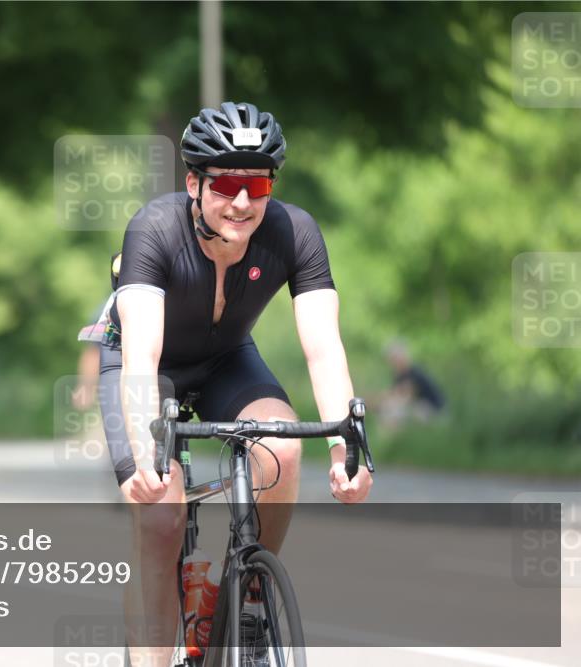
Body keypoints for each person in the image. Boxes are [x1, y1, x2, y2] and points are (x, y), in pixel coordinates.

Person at [97, 102, 373, 665]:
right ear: (193, 182)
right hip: (148, 368)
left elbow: (323, 348)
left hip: (228, 359)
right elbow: (143, 358)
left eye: (257, 184)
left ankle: (247, 586)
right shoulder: (154, 229)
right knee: (160, 517)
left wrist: (348, 446)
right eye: (225, 184)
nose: (243, 201)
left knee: (284, 448)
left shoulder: (295, 232)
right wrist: (147, 455)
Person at [378, 339, 446, 430]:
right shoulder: (399, 375)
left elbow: (404, 396)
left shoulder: (414, 373)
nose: (393, 362)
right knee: (391, 409)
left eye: (395, 358)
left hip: (434, 409)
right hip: (418, 407)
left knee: (395, 411)